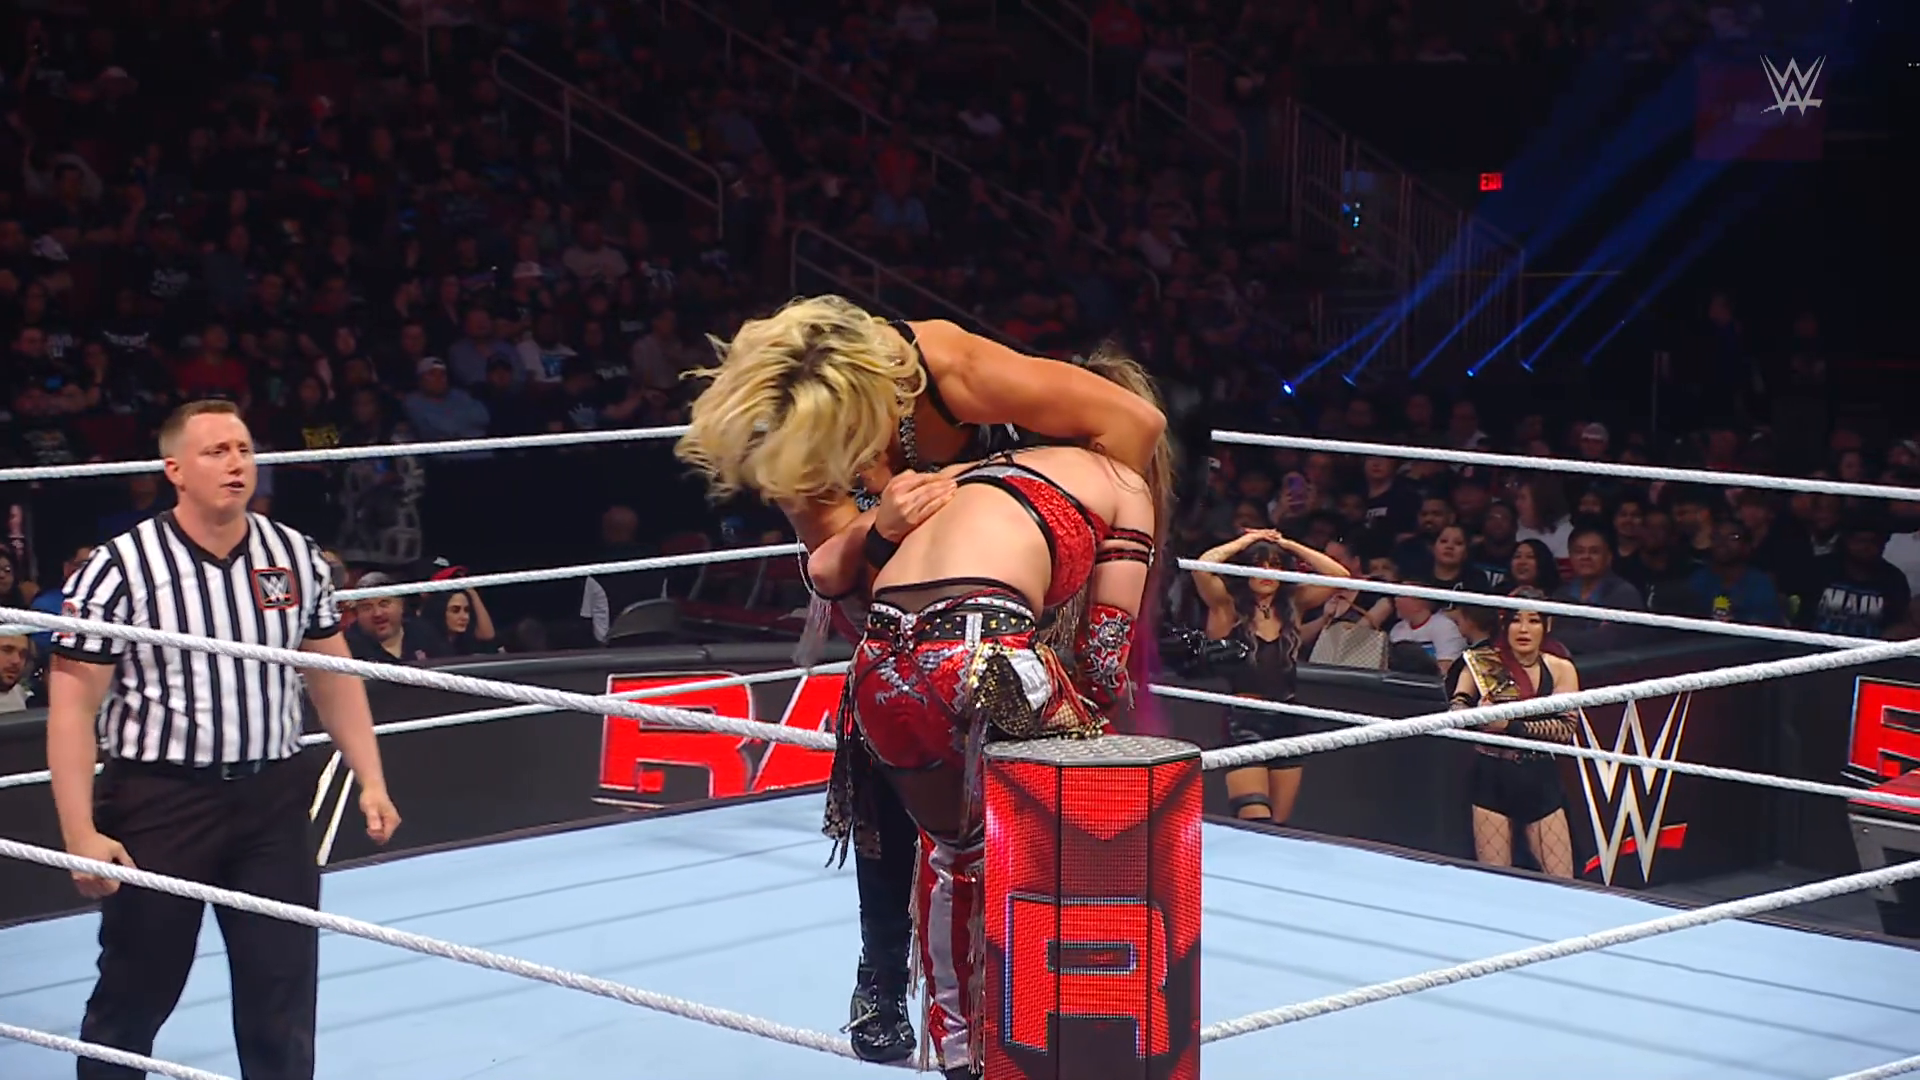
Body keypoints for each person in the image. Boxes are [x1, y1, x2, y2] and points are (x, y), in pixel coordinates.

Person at [673, 295, 1166, 1063]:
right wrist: (882, 528)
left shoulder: (947, 367)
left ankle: (1030, 1005)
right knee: (898, 774)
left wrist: (1045, 523)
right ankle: (884, 973)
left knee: (1006, 814)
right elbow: (833, 575)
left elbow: (1135, 428)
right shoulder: (792, 433)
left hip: (1029, 562)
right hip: (896, 599)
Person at [823, 347, 1173, 1080]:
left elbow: (837, 573)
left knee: (953, 855)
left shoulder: (971, 473)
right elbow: (1103, 661)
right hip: (985, 654)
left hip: (875, 663)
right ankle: (1082, 1022)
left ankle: (953, 1048)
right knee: (1094, 812)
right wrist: (1087, 717)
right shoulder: (1122, 481)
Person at [44, 400, 402, 1080]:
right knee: (137, 988)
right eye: (216, 451)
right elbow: (72, 706)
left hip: (273, 798)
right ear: (174, 469)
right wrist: (79, 832)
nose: (236, 463)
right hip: (160, 802)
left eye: (243, 449)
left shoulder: (293, 555)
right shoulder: (120, 567)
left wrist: (371, 779)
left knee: (281, 990)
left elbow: (332, 676)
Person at [1190, 528, 1351, 823]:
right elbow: (1202, 566)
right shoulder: (1227, 606)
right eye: (1258, 565)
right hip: (1244, 720)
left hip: (1287, 717)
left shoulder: (1293, 605)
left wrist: (1287, 544)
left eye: (1274, 565)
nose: (1266, 572)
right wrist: (1247, 541)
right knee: (1255, 819)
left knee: (1278, 827)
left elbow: (1340, 576)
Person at [1446, 589, 1578, 878]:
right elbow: (1456, 712)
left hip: (1538, 775)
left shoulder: (1561, 669)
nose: (1524, 629)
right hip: (1492, 774)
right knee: (1495, 881)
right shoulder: (1483, 662)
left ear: (1547, 625)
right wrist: (1477, 716)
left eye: (1533, 620)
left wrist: (1510, 726)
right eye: (1516, 620)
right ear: (1505, 624)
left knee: (1562, 880)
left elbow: (1566, 730)